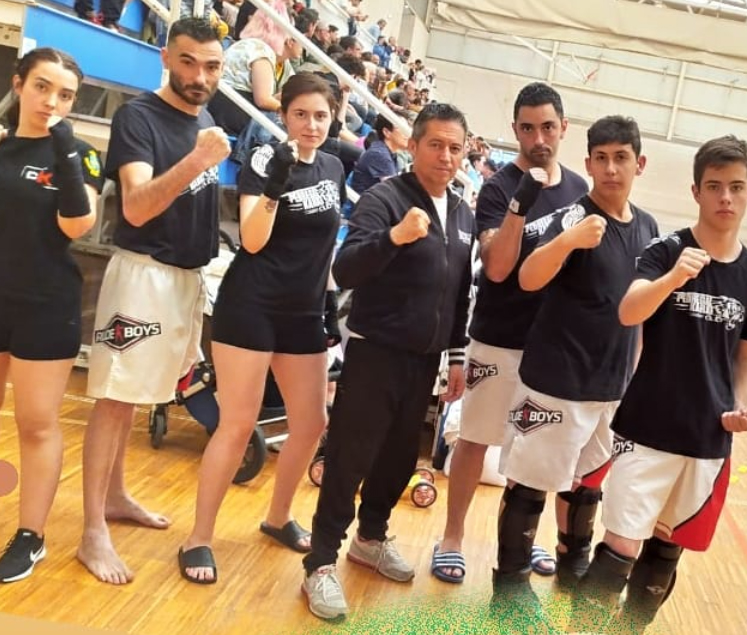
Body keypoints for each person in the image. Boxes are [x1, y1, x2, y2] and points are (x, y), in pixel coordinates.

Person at [301, 103, 475, 620]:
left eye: (455, 148)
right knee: (349, 459)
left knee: (399, 460)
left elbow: (459, 291)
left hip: (426, 360)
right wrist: (395, 236)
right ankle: (319, 562)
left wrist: (457, 355)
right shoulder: (385, 198)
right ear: (414, 146)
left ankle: (370, 538)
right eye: (435, 145)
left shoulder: (462, 212)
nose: (445, 156)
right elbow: (346, 268)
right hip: (376, 352)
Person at [76, 17, 230, 586]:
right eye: (187, 62)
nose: (199, 77)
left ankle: (115, 494)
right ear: (166, 58)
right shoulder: (139, 117)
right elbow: (138, 207)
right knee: (115, 399)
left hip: (184, 279)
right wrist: (197, 161)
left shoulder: (205, 119)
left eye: (211, 66)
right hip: (142, 276)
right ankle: (92, 531)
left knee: (140, 396)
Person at [177, 72, 346, 584]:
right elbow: (252, 240)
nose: (311, 124)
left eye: (320, 115)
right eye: (301, 114)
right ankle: (198, 538)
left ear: (333, 117)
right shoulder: (263, 158)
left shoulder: (334, 167)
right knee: (237, 424)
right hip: (251, 306)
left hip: (303, 312)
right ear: (284, 115)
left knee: (311, 422)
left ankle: (277, 517)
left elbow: (325, 244)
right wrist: (276, 184)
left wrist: (329, 299)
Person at [574, 135, 747, 634]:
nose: (726, 197)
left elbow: (742, 357)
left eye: (737, 187)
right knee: (620, 549)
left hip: (707, 437)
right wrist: (672, 278)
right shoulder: (666, 250)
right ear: (696, 191)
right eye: (714, 186)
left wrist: (739, 404)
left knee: (664, 557)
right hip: (646, 429)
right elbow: (629, 311)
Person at [492, 116, 659, 597]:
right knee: (529, 486)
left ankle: (572, 562)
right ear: (587, 164)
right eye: (601, 158)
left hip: (610, 385)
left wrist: (636, 375)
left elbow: (640, 308)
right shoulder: (573, 217)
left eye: (621, 157)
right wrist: (568, 240)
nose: (610, 168)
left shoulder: (647, 226)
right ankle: (509, 584)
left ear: (639, 163)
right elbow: (528, 278)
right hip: (555, 381)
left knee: (587, 486)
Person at [431, 83, 588, 584]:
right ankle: (451, 537)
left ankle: (524, 539)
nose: (539, 138)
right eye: (528, 128)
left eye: (548, 127)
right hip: (498, 338)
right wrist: (522, 203)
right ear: (515, 130)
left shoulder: (580, 190)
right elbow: (497, 269)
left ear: (564, 127)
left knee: (534, 449)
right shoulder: (499, 188)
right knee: (475, 440)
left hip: (553, 343)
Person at [0, 47, 103, 583]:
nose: (52, 101)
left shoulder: (81, 154)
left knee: (36, 423)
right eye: (42, 87)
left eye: (65, 94)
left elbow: (77, 225)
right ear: (19, 84)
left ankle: (30, 536)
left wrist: (63, 145)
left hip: (46, 304)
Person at [350, 113, 409, 194]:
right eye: (401, 129)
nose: (406, 134)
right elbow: (394, 193)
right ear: (386, 132)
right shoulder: (380, 154)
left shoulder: (388, 152)